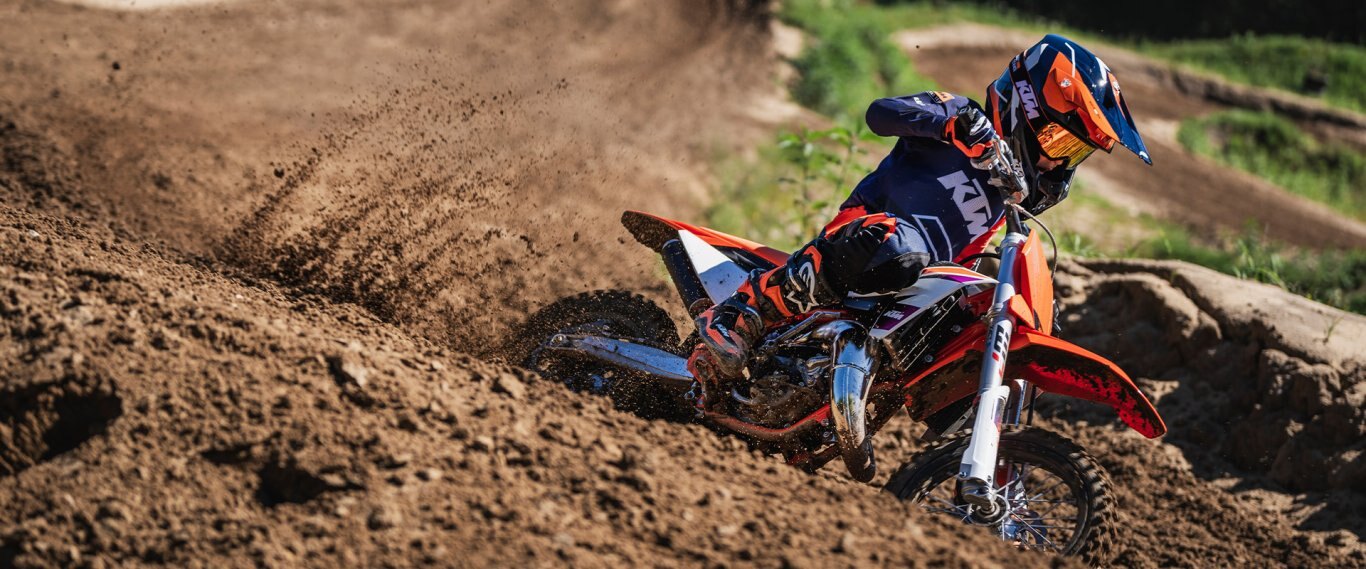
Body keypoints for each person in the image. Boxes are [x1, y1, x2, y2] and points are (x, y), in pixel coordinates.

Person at [688, 34, 1152, 406]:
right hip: (866, 238)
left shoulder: (1010, 192)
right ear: (1024, 107)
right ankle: (739, 314)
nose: (1058, 162)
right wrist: (953, 124)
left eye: (1075, 152)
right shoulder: (961, 116)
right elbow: (880, 114)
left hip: (911, 286)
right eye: (1058, 141)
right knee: (899, 249)